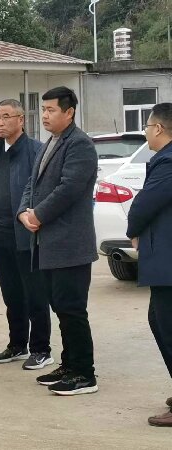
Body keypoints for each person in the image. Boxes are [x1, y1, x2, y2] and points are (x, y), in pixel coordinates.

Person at [18, 86, 98, 396]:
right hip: (48, 242)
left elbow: (69, 189)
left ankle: (85, 374)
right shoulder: (50, 142)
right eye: (43, 109)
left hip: (70, 245)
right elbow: (32, 183)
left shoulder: (80, 145)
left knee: (72, 309)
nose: (45, 115)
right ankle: (69, 364)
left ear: (69, 112)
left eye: (51, 110)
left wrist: (38, 214)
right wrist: (24, 213)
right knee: (60, 307)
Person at [0, 99, 52, 369]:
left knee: (35, 293)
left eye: (6, 117)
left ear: (21, 120)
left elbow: (44, 191)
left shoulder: (36, 150)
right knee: (11, 294)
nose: (0, 123)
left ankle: (41, 349)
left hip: (27, 234)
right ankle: (17, 344)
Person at [127, 103, 172, 427]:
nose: (146, 133)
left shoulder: (168, 161)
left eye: (147, 127)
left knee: (165, 324)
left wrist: (133, 229)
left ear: (158, 128)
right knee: (159, 320)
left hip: (168, 261)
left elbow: (146, 202)